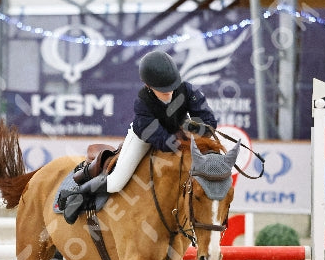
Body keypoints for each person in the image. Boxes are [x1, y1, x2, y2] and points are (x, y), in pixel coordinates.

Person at [60, 50, 218, 224]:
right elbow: (158, 138)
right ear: (148, 85)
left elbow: (209, 122)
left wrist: (193, 128)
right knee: (116, 182)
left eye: (171, 87)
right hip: (145, 137)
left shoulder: (187, 89)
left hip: (180, 135)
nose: (169, 93)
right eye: (162, 90)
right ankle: (80, 194)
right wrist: (182, 139)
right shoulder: (142, 102)